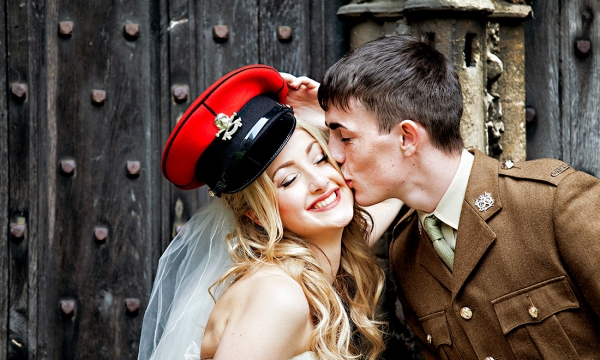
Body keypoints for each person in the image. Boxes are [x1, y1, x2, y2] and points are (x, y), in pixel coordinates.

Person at [284, 34, 600, 359]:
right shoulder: (406, 251)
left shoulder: (552, 203)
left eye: (345, 137)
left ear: (407, 137)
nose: (333, 154)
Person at [138, 65, 401, 360]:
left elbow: (398, 183)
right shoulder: (278, 298)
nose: (319, 182)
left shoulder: (329, 256)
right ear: (257, 215)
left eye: (319, 159)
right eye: (289, 180)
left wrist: (330, 120)